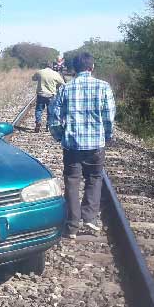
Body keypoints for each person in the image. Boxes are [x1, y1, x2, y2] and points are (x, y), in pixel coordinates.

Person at [48, 52, 116, 239]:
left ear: (74, 69)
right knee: (94, 178)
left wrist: (60, 136)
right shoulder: (103, 87)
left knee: (72, 181)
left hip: (72, 146)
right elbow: (109, 117)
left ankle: (72, 225)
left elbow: (53, 118)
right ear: (91, 67)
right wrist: (107, 136)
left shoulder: (66, 88)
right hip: (95, 145)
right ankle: (89, 218)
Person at [31, 62, 65, 133]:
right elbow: (63, 83)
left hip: (41, 94)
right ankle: (48, 126)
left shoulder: (40, 72)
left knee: (39, 110)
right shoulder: (55, 74)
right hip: (51, 95)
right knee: (50, 112)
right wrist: (57, 86)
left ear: (45, 66)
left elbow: (33, 78)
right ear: (52, 67)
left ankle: (38, 122)